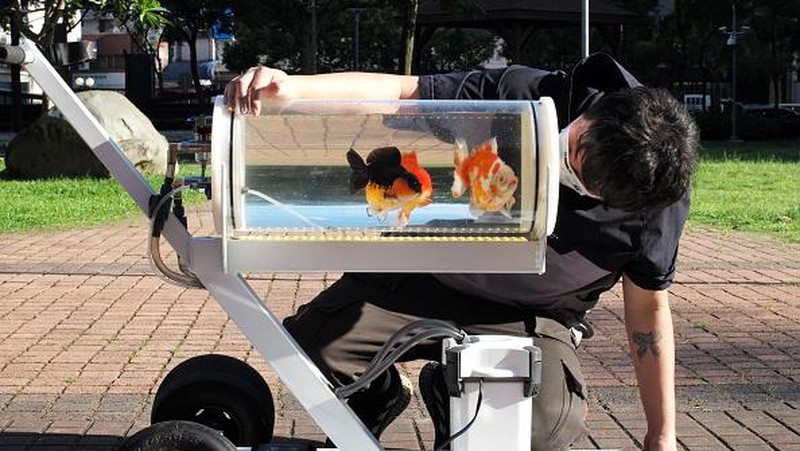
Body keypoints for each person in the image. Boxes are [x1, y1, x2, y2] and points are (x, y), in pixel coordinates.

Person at [224, 54, 698, 451]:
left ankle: (449, 397)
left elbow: (647, 310)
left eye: (586, 187)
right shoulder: (522, 96)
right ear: (596, 111)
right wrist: (294, 90)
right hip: (432, 275)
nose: (566, 172)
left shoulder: (655, 204)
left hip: (533, 315)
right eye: (573, 150)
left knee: (544, 423)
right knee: (309, 352)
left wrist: (662, 434)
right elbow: (405, 94)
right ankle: (379, 398)